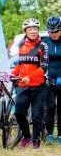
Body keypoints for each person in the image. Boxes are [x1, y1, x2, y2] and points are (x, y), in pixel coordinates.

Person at [11, 18, 49, 149]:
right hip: (23, 86)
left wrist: (29, 76)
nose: (33, 31)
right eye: (30, 29)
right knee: (19, 113)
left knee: (37, 115)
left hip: (39, 86)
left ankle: (36, 141)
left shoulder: (43, 46)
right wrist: (13, 73)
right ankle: (26, 137)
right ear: (25, 31)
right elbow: (21, 64)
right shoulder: (21, 44)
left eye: (35, 29)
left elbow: (43, 67)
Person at [43, 16, 61, 144]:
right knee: (49, 107)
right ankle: (49, 133)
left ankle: (60, 135)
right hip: (48, 79)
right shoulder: (44, 42)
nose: (53, 34)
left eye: (56, 31)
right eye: (51, 32)